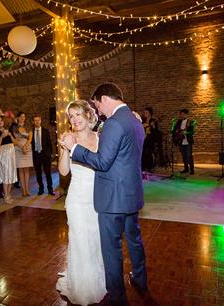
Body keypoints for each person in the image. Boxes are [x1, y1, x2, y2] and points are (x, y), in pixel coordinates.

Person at [61, 83, 148, 305]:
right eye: (71, 116)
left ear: (103, 99)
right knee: (133, 240)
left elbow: (102, 161)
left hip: (110, 198)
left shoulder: (112, 125)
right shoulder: (135, 121)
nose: (99, 111)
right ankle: (140, 279)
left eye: (98, 105)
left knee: (111, 248)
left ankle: (117, 298)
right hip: (128, 194)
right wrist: (67, 148)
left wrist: (74, 149)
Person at [56, 100, 106, 305]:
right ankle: (81, 286)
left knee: (95, 240)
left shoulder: (100, 138)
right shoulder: (68, 138)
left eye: (78, 115)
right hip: (77, 198)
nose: (74, 120)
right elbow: (63, 171)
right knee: (79, 240)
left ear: (88, 115)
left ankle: (97, 281)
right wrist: (64, 149)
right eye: (71, 117)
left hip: (98, 198)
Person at [0, 116, 17, 204]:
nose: (0, 122)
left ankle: (8, 193)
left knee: (10, 174)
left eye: (1, 120)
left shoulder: (9, 130)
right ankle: (6, 195)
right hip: (2, 154)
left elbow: (14, 143)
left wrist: (10, 135)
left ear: (4, 121)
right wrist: (2, 136)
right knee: (5, 174)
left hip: (10, 153)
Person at [11, 112, 33, 197]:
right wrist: (21, 147)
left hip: (27, 149)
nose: (23, 118)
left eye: (24, 116)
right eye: (21, 116)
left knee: (27, 170)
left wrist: (25, 147)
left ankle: (27, 190)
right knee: (21, 170)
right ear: (18, 118)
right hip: (18, 149)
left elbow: (30, 138)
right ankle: (23, 190)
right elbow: (14, 140)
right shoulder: (14, 127)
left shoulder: (28, 127)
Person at [32, 115, 54, 196]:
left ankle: (50, 189)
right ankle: (41, 189)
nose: (37, 122)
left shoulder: (45, 131)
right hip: (36, 155)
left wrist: (50, 154)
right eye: (35, 120)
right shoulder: (32, 132)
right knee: (38, 173)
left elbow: (50, 143)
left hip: (45, 155)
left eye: (38, 120)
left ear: (40, 121)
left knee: (48, 173)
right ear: (33, 122)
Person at [172, 109, 196, 175]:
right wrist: (177, 132)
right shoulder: (179, 122)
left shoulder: (191, 122)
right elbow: (174, 130)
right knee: (184, 156)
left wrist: (186, 132)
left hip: (188, 141)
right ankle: (186, 168)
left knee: (189, 155)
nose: (182, 115)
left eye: (183, 114)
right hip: (181, 141)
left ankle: (192, 170)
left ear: (186, 114)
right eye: (181, 114)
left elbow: (192, 132)